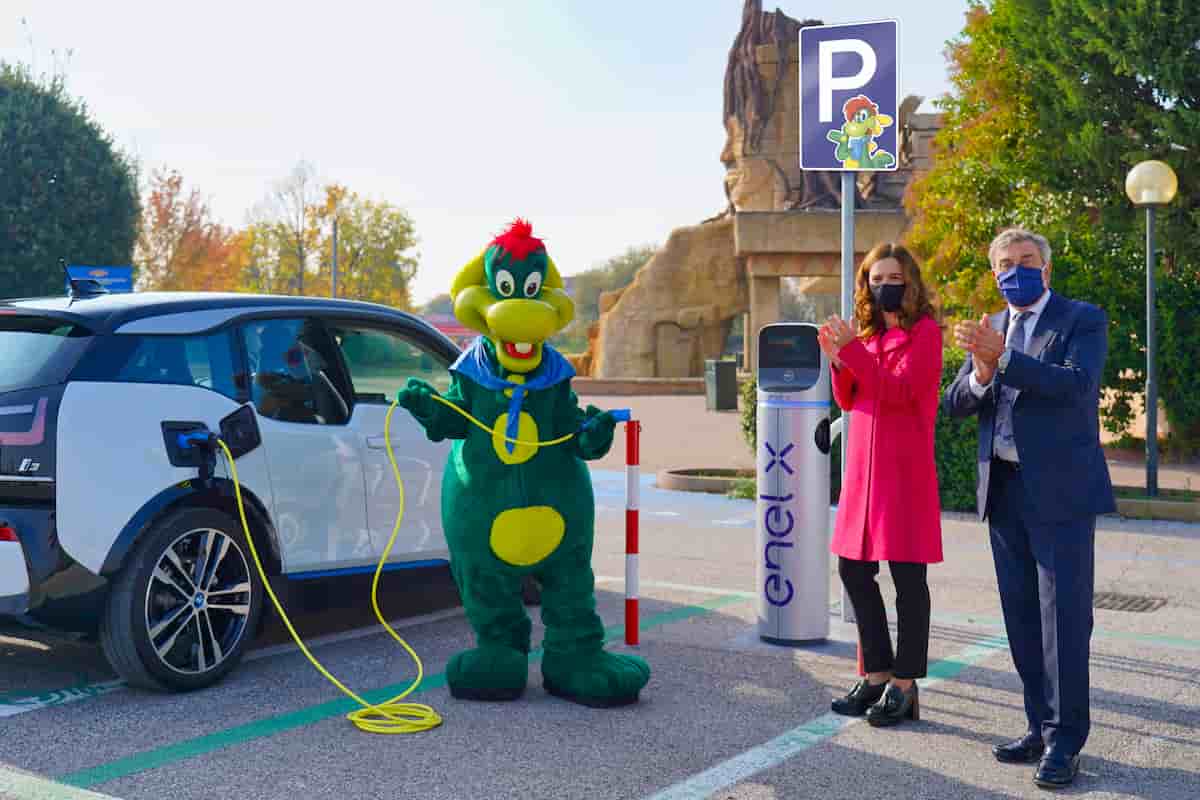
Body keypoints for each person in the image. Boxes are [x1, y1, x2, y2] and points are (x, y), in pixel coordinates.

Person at [943, 227, 1114, 790]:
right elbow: (957, 403)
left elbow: (1077, 386)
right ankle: (1039, 727)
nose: (1017, 268)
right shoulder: (990, 327)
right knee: (1020, 618)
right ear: (995, 274)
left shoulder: (1080, 318)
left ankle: (1066, 741)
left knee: (1062, 620)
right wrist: (983, 370)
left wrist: (1006, 359)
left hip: (1060, 493)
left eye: (1027, 260)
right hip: (1005, 491)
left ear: (1046, 268)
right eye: (1006, 263)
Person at [818, 242, 943, 728]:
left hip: (903, 472)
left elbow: (898, 392)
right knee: (853, 571)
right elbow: (850, 398)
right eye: (875, 279)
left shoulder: (925, 334)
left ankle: (906, 685)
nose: (884, 286)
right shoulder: (867, 336)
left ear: (910, 281)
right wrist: (838, 360)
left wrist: (851, 351)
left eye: (893, 277)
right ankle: (876, 672)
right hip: (863, 474)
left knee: (909, 581)